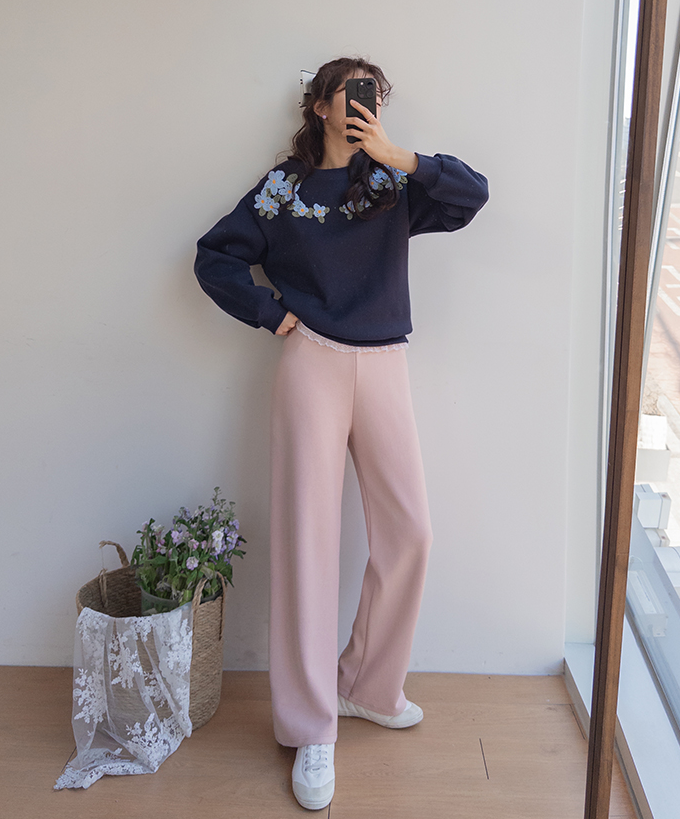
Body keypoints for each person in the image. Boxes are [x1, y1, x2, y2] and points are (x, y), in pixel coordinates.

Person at [194, 56, 488, 810]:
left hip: (385, 362)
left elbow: (472, 195)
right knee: (308, 540)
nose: (366, 104)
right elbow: (215, 256)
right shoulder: (283, 190)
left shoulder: (391, 183)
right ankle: (309, 726)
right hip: (312, 362)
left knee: (410, 532)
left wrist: (400, 155)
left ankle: (364, 685)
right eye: (354, 92)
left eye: (376, 95)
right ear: (321, 104)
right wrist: (270, 314)